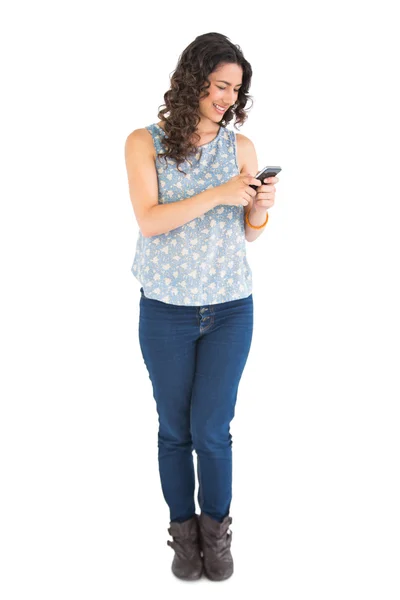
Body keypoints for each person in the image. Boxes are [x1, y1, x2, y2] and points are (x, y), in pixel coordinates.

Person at [124, 32, 279, 581]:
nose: (227, 98)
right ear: (194, 80)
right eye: (218, 85)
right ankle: (183, 539)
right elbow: (150, 219)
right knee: (175, 430)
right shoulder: (145, 142)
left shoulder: (241, 149)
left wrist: (259, 206)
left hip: (231, 308)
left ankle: (217, 536)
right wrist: (217, 194)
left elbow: (251, 235)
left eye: (235, 89)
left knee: (213, 429)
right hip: (166, 310)